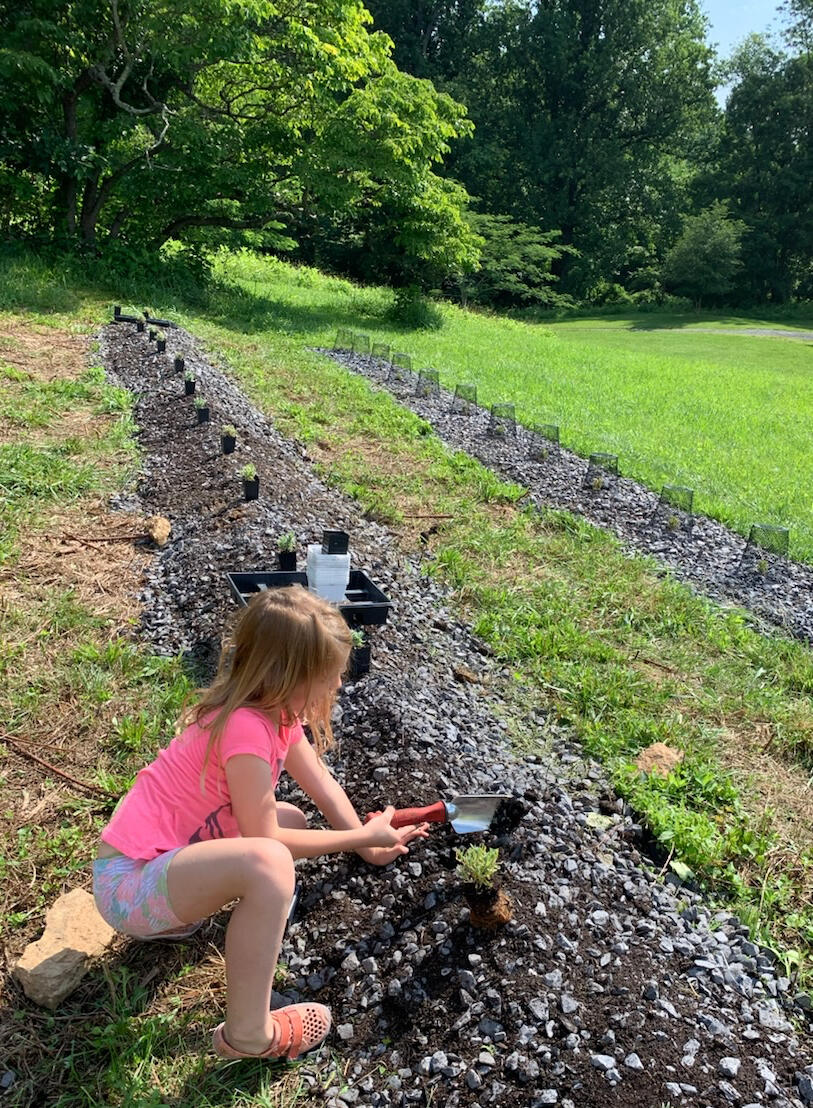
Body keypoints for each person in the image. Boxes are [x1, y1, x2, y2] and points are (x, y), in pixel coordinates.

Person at [93, 586, 428, 1061]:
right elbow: (265, 840)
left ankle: (198, 921)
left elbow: (322, 786)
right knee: (271, 861)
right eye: (328, 675)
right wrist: (361, 835)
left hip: (151, 867)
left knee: (291, 819)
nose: (337, 686)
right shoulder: (246, 729)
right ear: (290, 674)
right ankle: (249, 1037)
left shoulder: (274, 713)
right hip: (125, 888)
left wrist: (367, 846)